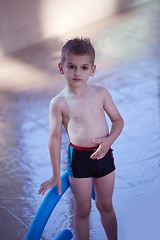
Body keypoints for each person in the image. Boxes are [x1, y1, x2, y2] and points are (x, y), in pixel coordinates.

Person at [38, 38, 124, 240]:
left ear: (92, 70)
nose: (77, 73)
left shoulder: (101, 93)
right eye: (71, 67)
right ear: (62, 67)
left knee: (105, 205)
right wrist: (55, 174)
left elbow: (118, 121)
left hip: (103, 155)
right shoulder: (58, 103)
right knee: (83, 209)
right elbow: (54, 138)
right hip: (79, 159)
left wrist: (109, 140)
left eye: (84, 67)